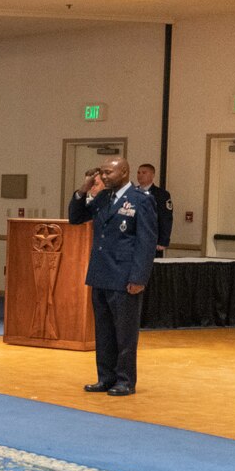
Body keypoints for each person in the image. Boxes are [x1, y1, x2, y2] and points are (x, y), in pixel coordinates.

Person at [68, 155, 158, 396]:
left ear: (124, 173)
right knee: (104, 331)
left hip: (124, 276)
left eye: (109, 173)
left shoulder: (140, 200)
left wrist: (139, 278)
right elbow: (76, 218)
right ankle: (105, 377)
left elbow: (146, 242)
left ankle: (125, 381)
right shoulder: (103, 198)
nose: (104, 176)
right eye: (103, 172)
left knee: (125, 333)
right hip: (101, 273)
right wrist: (83, 188)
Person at [135, 162, 173, 254]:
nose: (140, 175)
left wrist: (163, 241)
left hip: (152, 240)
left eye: (144, 173)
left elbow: (165, 218)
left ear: (152, 175)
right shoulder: (132, 192)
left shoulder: (161, 195)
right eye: (138, 173)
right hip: (133, 239)